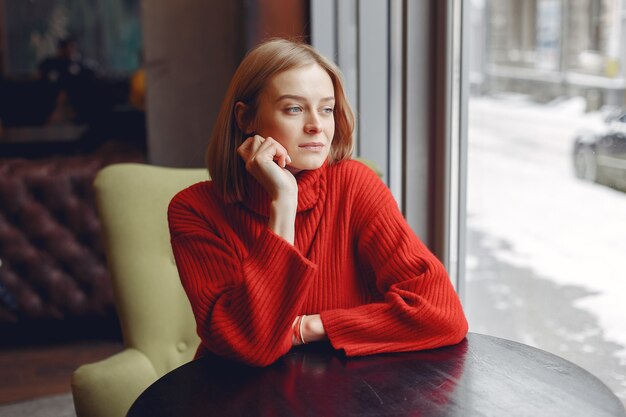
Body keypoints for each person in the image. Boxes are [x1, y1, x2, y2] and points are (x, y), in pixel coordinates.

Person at [168, 38, 468, 367]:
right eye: (294, 108)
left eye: (326, 109)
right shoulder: (194, 210)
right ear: (245, 119)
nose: (316, 125)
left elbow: (442, 314)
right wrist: (283, 201)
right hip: (235, 399)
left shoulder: (355, 185)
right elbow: (253, 345)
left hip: (341, 395)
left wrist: (307, 327)